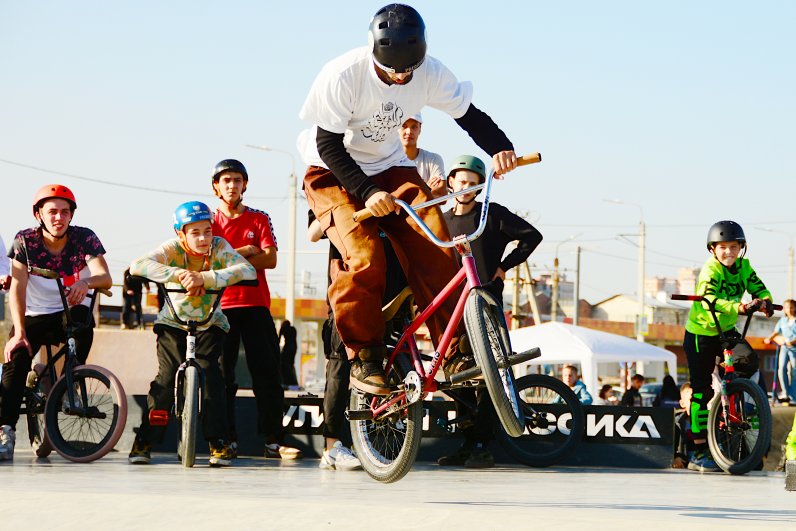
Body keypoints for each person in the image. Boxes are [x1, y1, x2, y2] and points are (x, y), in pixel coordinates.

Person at [297, 3, 520, 395]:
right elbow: (327, 144)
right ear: (375, 53)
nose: (401, 78)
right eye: (392, 71)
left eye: (408, 71)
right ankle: (364, 358)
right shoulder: (343, 74)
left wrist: (501, 148)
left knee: (437, 239)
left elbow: (469, 116)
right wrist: (368, 192)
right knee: (364, 256)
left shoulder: (430, 71)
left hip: (390, 167)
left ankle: (454, 351)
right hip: (332, 171)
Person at [127, 201, 256, 467]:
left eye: (207, 231)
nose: (202, 238)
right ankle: (145, 441)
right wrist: (182, 275)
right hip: (172, 324)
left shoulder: (220, 247)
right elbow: (138, 265)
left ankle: (217, 442)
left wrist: (205, 279)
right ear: (180, 233)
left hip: (210, 324)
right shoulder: (171, 249)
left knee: (212, 380)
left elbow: (247, 269)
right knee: (164, 382)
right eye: (194, 232)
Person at [437, 154, 543, 468]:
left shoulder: (491, 214)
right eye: (461, 181)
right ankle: (467, 443)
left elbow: (531, 237)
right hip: (453, 310)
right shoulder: (441, 221)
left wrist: (504, 266)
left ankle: (483, 444)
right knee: (457, 376)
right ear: (451, 182)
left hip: (485, 305)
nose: (466, 188)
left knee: (487, 375)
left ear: (481, 187)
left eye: (473, 183)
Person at [1, 184, 112, 461]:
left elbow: (105, 277)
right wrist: (19, 332)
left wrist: (85, 282)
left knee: (83, 327)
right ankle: (5, 429)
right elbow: (17, 288)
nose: (58, 218)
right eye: (51, 211)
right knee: (16, 358)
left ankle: (67, 385)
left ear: (71, 215)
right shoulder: (24, 241)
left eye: (64, 212)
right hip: (35, 313)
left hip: (71, 309)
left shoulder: (84, 238)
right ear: (38, 214)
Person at [209, 159, 301, 460]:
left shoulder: (259, 218)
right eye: (226, 180)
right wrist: (247, 255)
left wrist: (228, 260)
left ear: (245, 184)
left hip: (256, 305)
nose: (232, 185)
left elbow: (271, 259)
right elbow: (203, 261)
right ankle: (225, 440)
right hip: (219, 307)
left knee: (268, 374)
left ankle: (274, 441)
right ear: (216, 186)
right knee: (222, 377)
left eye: (237, 180)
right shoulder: (207, 222)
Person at [682, 220, 773, 472]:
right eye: (723, 247)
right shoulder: (710, 270)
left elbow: (759, 287)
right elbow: (710, 297)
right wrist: (740, 307)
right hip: (701, 332)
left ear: (741, 248)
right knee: (701, 391)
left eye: (734, 247)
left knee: (748, 360)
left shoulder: (744, 267)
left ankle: (733, 394)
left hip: (726, 329)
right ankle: (698, 451)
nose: (729, 252)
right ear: (712, 249)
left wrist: (764, 301)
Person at [399, 113, 446, 197]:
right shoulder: (387, 160)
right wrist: (427, 189)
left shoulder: (433, 159)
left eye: (414, 127)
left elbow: (441, 195)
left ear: (420, 130)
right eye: (404, 126)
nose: (409, 132)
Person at [764, 299, 796, 404]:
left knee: (793, 372)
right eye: (787, 307)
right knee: (781, 370)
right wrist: (768, 338)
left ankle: (793, 396)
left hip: (794, 349)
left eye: (791, 307)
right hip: (784, 348)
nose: (789, 309)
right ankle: (785, 393)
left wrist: (791, 342)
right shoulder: (783, 321)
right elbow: (776, 332)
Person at [279, 320, 299, 388]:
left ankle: (286, 381)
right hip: (294, 348)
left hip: (287, 348)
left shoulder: (284, 329)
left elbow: (278, 340)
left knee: (284, 364)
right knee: (290, 364)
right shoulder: (293, 329)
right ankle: (293, 382)